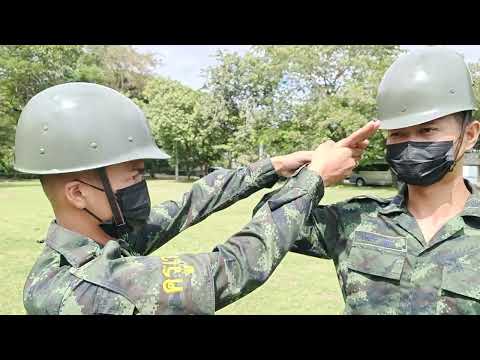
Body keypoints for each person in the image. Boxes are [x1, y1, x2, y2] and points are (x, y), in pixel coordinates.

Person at [17, 82, 378, 314]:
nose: (141, 184)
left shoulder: (103, 240)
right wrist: (312, 180)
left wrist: (273, 167)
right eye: (134, 174)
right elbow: (231, 267)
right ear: (78, 193)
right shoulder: (89, 284)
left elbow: (191, 202)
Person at [255, 47, 480, 315]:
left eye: (427, 130)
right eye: (398, 134)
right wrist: (315, 174)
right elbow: (267, 220)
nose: (410, 144)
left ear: (469, 135)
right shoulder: (355, 218)